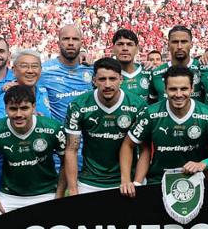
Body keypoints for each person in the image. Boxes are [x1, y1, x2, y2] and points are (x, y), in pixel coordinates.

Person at [127, 66, 208, 185]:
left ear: (192, 88)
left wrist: (201, 164)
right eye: (173, 89)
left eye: (184, 89)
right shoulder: (150, 113)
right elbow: (128, 145)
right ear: (165, 89)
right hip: (158, 180)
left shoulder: (207, 114)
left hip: (193, 180)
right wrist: (136, 182)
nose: (178, 94)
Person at [64, 57, 147, 197]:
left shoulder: (137, 105)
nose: (107, 84)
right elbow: (72, 149)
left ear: (121, 80)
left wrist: (137, 183)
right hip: (90, 181)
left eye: (112, 79)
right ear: (94, 81)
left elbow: (144, 148)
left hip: (127, 181)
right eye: (102, 79)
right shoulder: (78, 106)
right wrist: (73, 190)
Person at [0, 85, 66, 217]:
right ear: (6, 109)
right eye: (13, 109)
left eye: (24, 108)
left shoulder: (53, 128)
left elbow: (67, 161)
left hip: (47, 193)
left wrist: (59, 195)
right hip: (10, 196)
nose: (19, 114)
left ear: (34, 107)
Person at [39, 24, 93, 124]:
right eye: (66, 39)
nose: (71, 43)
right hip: (59, 136)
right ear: (58, 43)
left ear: (81, 43)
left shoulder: (91, 68)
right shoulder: (44, 71)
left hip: (87, 136)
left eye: (75, 39)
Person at [0, 49, 52, 120]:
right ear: (14, 70)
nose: (30, 71)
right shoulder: (6, 98)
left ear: (40, 70)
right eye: (24, 66)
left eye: (34, 66)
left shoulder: (43, 92)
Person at [150, 25, 201, 103]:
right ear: (169, 45)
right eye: (175, 42)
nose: (179, 46)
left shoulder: (201, 68)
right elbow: (152, 104)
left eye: (184, 42)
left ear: (191, 44)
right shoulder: (156, 73)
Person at [110, 29, 151, 100]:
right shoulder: (104, 75)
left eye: (129, 44)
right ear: (113, 48)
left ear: (136, 49)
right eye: (120, 44)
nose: (125, 48)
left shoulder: (149, 72)